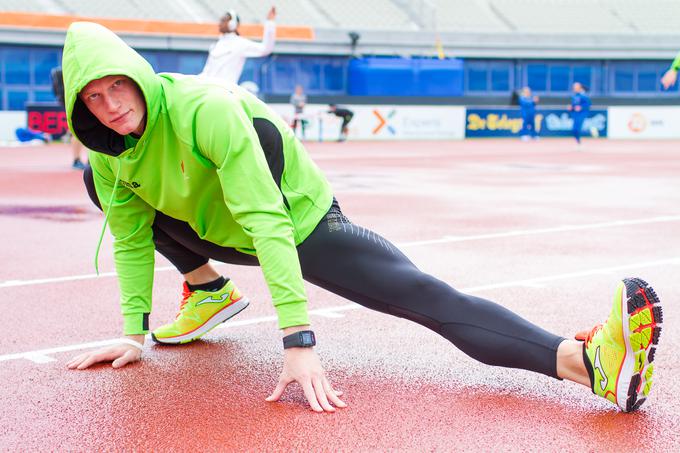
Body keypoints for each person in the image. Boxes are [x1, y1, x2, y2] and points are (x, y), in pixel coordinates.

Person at [63, 22, 663, 414]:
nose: (111, 107)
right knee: (100, 183)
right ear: (80, 107)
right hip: (221, 234)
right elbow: (132, 241)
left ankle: (589, 366)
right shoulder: (110, 152)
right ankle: (209, 291)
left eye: (119, 87)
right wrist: (131, 334)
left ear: (139, 77)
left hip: (297, 221)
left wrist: (298, 340)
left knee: (422, 294)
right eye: (94, 98)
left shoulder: (207, 111)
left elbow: (267, 220)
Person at [199, 6, 276, 84]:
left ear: (232, 24)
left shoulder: (240, 44)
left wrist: (270, 23)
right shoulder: (215, 46)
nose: (220, 23)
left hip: (226, 92)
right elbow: (206, 72)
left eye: (223, 20)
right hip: (210, 90)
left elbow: (266, 48)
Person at [51, 67, 86, 169]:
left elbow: (55, 92)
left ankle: (78, 160)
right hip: (77, 103)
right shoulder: (74, 69)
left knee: (76, 132)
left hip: (69, 104)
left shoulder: (57, 71)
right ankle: (78, 160)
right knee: (77, 132)